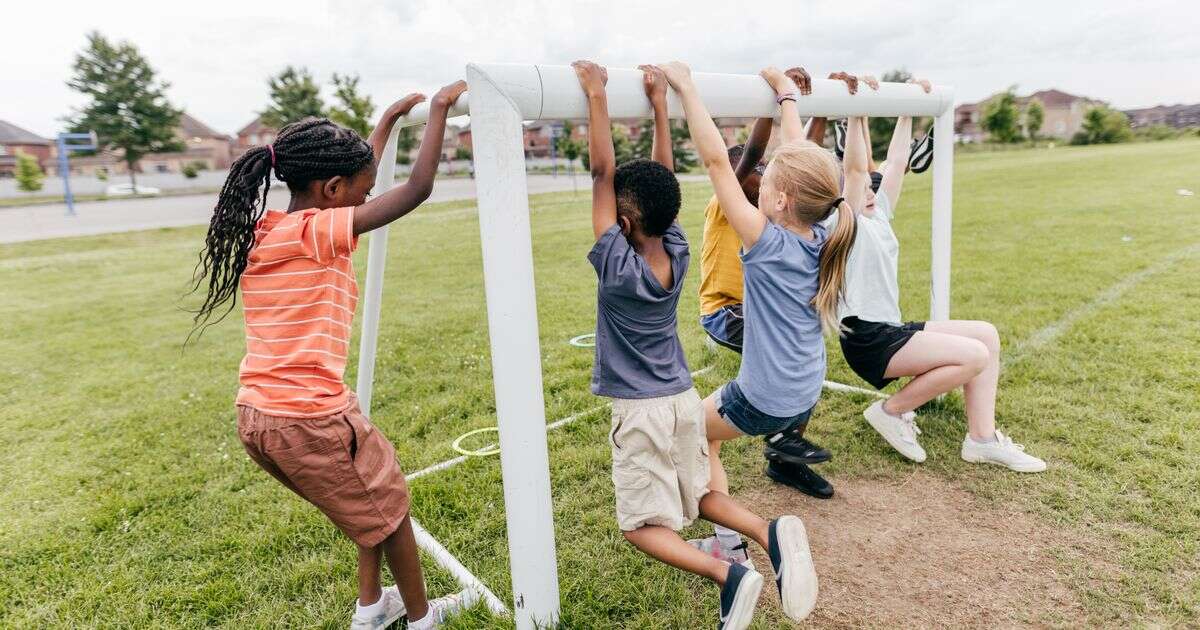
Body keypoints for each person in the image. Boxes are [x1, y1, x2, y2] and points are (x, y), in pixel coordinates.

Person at [190, 81, 480, 630]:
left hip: (259, 415)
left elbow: (349, 183)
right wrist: (440, 110)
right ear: (330, 190)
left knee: (366, 499)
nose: (365, 204)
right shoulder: (316, 232)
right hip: (308, 417)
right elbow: (416, 189)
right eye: (359, 193)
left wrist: (388, 122)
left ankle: (372, 606)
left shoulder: (267, 230)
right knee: (389, 510)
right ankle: (422, 620)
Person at [576, 60, 818, 628]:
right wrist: (660, 104)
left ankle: (727, 574)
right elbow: (659, 178)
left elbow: (600, 173)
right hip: (684, 399)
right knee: (702, 495)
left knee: (640, 526)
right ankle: (767, 532)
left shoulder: (617, 267)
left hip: (642, 412)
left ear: (625, 221)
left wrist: (596, 95)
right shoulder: (677, 248)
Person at [665, 58, 858, 622]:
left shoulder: (766, 241)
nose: (761, 180)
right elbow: (802, 160)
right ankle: (731, 541)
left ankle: (756, 536)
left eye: (769, 181)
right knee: (707, 435)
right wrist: (786, 97)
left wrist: (687, 86)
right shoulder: (826, 231)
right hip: (803, 389)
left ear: (777, 201)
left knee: (688, 433)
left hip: (767, 397)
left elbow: (712, 161)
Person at [831, 78, 1046, 473]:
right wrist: (856, 109)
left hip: (888, 329)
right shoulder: (846, 223)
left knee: (986, 335)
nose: (872, 189)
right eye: (863, 187)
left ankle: (981, 440)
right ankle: (891, 411)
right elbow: (856, 168)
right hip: (866, 338)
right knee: (974, 356)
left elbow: (896, 162)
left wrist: (909, 104)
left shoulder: (878, 213)